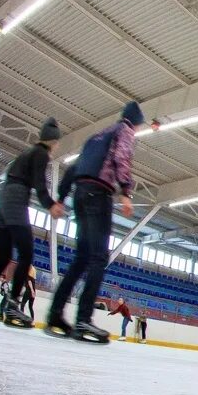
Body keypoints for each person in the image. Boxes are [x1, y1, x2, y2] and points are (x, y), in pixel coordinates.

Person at [47, 104, 143, 342]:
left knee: (82, 259)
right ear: (136, 122)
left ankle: (55, 314)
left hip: (80, 195)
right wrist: (126, 191)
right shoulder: (125, 131)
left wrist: (61, 197)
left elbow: (73, 169)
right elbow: (122, 158)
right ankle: (83, 320)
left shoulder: (97, 137)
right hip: (99, 195)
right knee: (99, 257)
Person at [0, 118, 66, 326]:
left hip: (4, 199)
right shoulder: (41, 153)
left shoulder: (26, 153)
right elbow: (40, 184)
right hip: (15, 200)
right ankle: (13, 306)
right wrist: (51, 204)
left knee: (3, 258)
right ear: (52, 140)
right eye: (57, 141)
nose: (57, 145)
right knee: (27, 254)